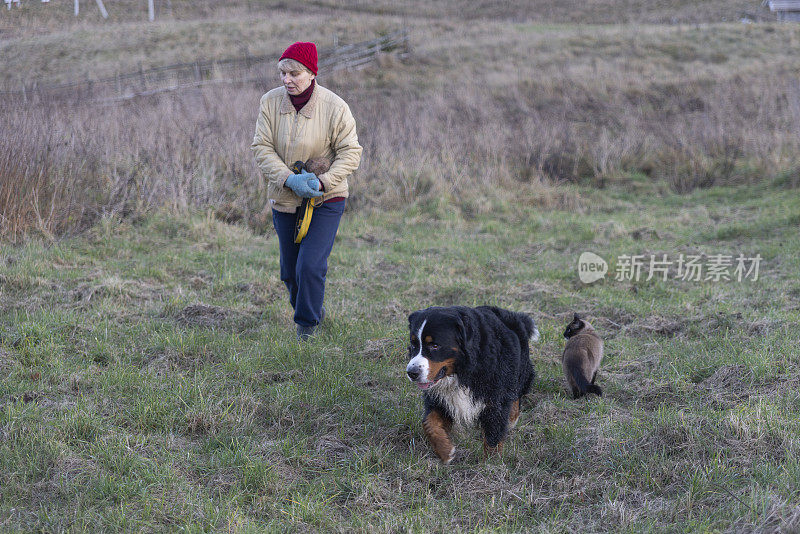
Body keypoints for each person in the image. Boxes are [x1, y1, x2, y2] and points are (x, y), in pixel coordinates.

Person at [251, 41, 362, 341]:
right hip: (286, 197)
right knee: (290, 272)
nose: (287, 80)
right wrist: (289, 179)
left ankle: (307, 327)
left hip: (327, 198)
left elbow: (351, 153)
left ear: (312, 73)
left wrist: (323, 182)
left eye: (294, 73)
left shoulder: (335, 107)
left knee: (310, 266)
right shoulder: (270, 102)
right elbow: (261, 147)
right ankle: (312, 308)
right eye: (282, 73)